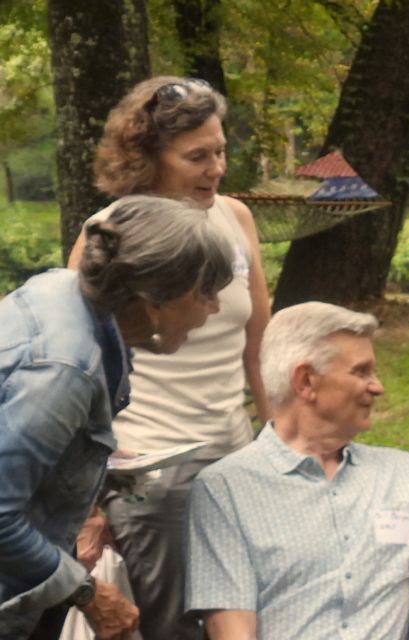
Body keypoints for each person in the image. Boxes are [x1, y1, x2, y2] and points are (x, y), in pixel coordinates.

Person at [66, 76, 272, 639]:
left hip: (237, 456)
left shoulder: (236, 219)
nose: (216, 168)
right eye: (197, 157)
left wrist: (278, 444)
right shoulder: (107, 234)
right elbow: (77, 374)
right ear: (148, 161)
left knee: (243, 615)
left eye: (221, 151)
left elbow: (260, 346)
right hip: (153, 474)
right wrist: (89, 504)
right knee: (178, 628)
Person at [0, 195, 234, 639]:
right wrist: (88, 594)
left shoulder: (64, 291)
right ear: (154, 301)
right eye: (207, 293)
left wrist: (95, 462)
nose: (216, 308)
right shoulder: (64, 371)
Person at [184, 302, 409, 639]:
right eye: (362, 372)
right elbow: (232, 629)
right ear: (305, 381)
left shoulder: (404, 474)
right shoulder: (226, 488)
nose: (378, 387)